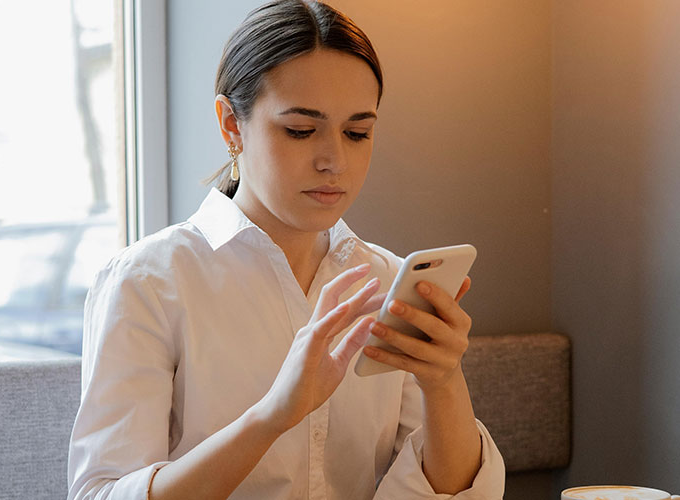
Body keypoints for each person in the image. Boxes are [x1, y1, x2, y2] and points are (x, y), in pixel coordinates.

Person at [67, 1, 506, 499]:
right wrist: (272, 415)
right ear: (232, 124)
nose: (334, 161)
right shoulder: (148, 282)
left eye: (357, 132)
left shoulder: (384, 282)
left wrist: (444, 381)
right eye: (300, 130)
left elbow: (445, 492)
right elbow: (100, 495)